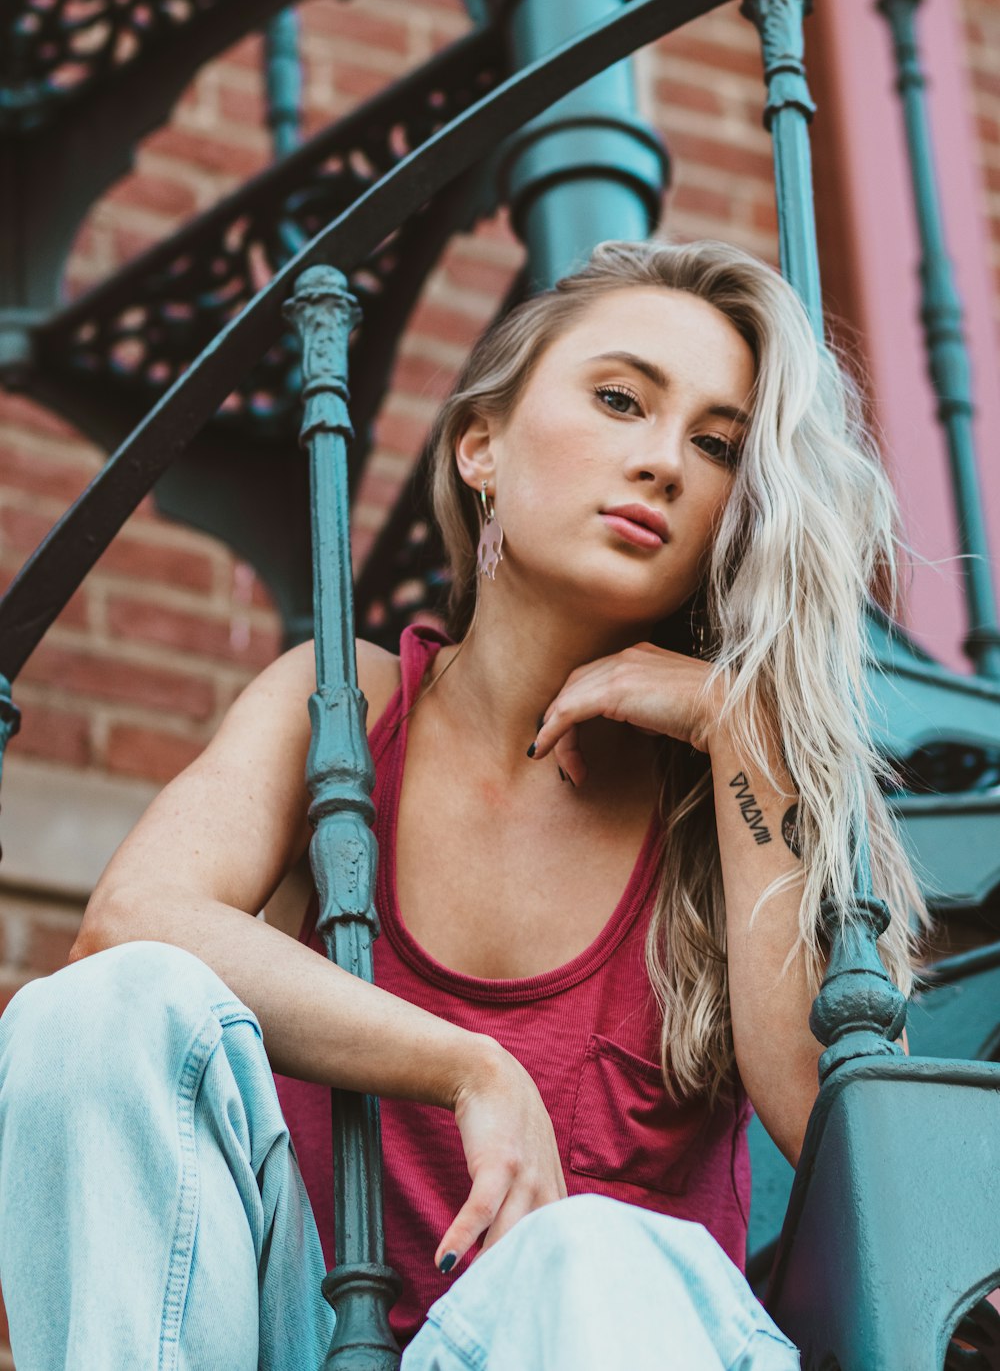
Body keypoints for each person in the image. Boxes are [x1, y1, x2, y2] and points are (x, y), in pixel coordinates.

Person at [0, 239, 926, 1370]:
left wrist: (741, 731)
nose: (663, 462)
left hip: (597, 1334)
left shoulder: (727, 791)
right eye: (620, 399)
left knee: (588, 1248)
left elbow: (818, 1123)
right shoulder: (340, 707)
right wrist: (468, 1065)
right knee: (89, 1013)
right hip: (306, 1335)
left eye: (716, 445)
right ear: (479, 446)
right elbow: (131, 921)